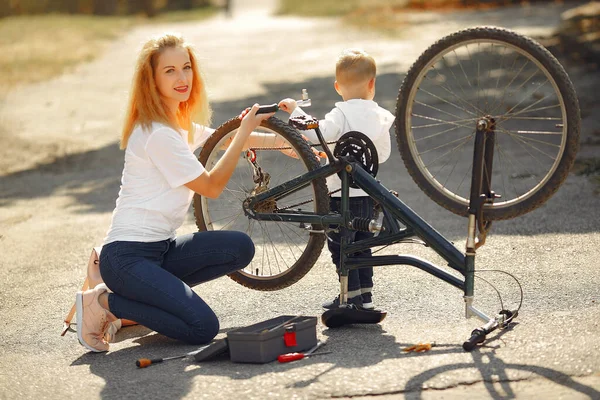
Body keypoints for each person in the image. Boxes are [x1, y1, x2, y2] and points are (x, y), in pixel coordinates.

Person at [75, 33, 278, 353]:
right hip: (126, 258)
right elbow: (211, 186)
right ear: (151, 80)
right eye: (169, 71)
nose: (182, 77)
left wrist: (295, 144)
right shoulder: (157, 133)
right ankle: (104, 302)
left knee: (239, 247)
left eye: (186, 67)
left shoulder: (178, 124)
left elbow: (222, 141)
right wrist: (243, 133)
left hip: (161, 251)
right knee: (202, 328)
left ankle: (151, 300)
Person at [278, 48, 394, 311]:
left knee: (341, 245)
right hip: (367, 193)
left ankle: (348, 296)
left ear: (337, 87)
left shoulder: (340, 113)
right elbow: (383, 154)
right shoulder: (379, 115)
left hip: (340, 195)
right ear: (372, 83)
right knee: (362, 244)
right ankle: (365, 296)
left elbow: (318, 131)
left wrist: (296, 110)